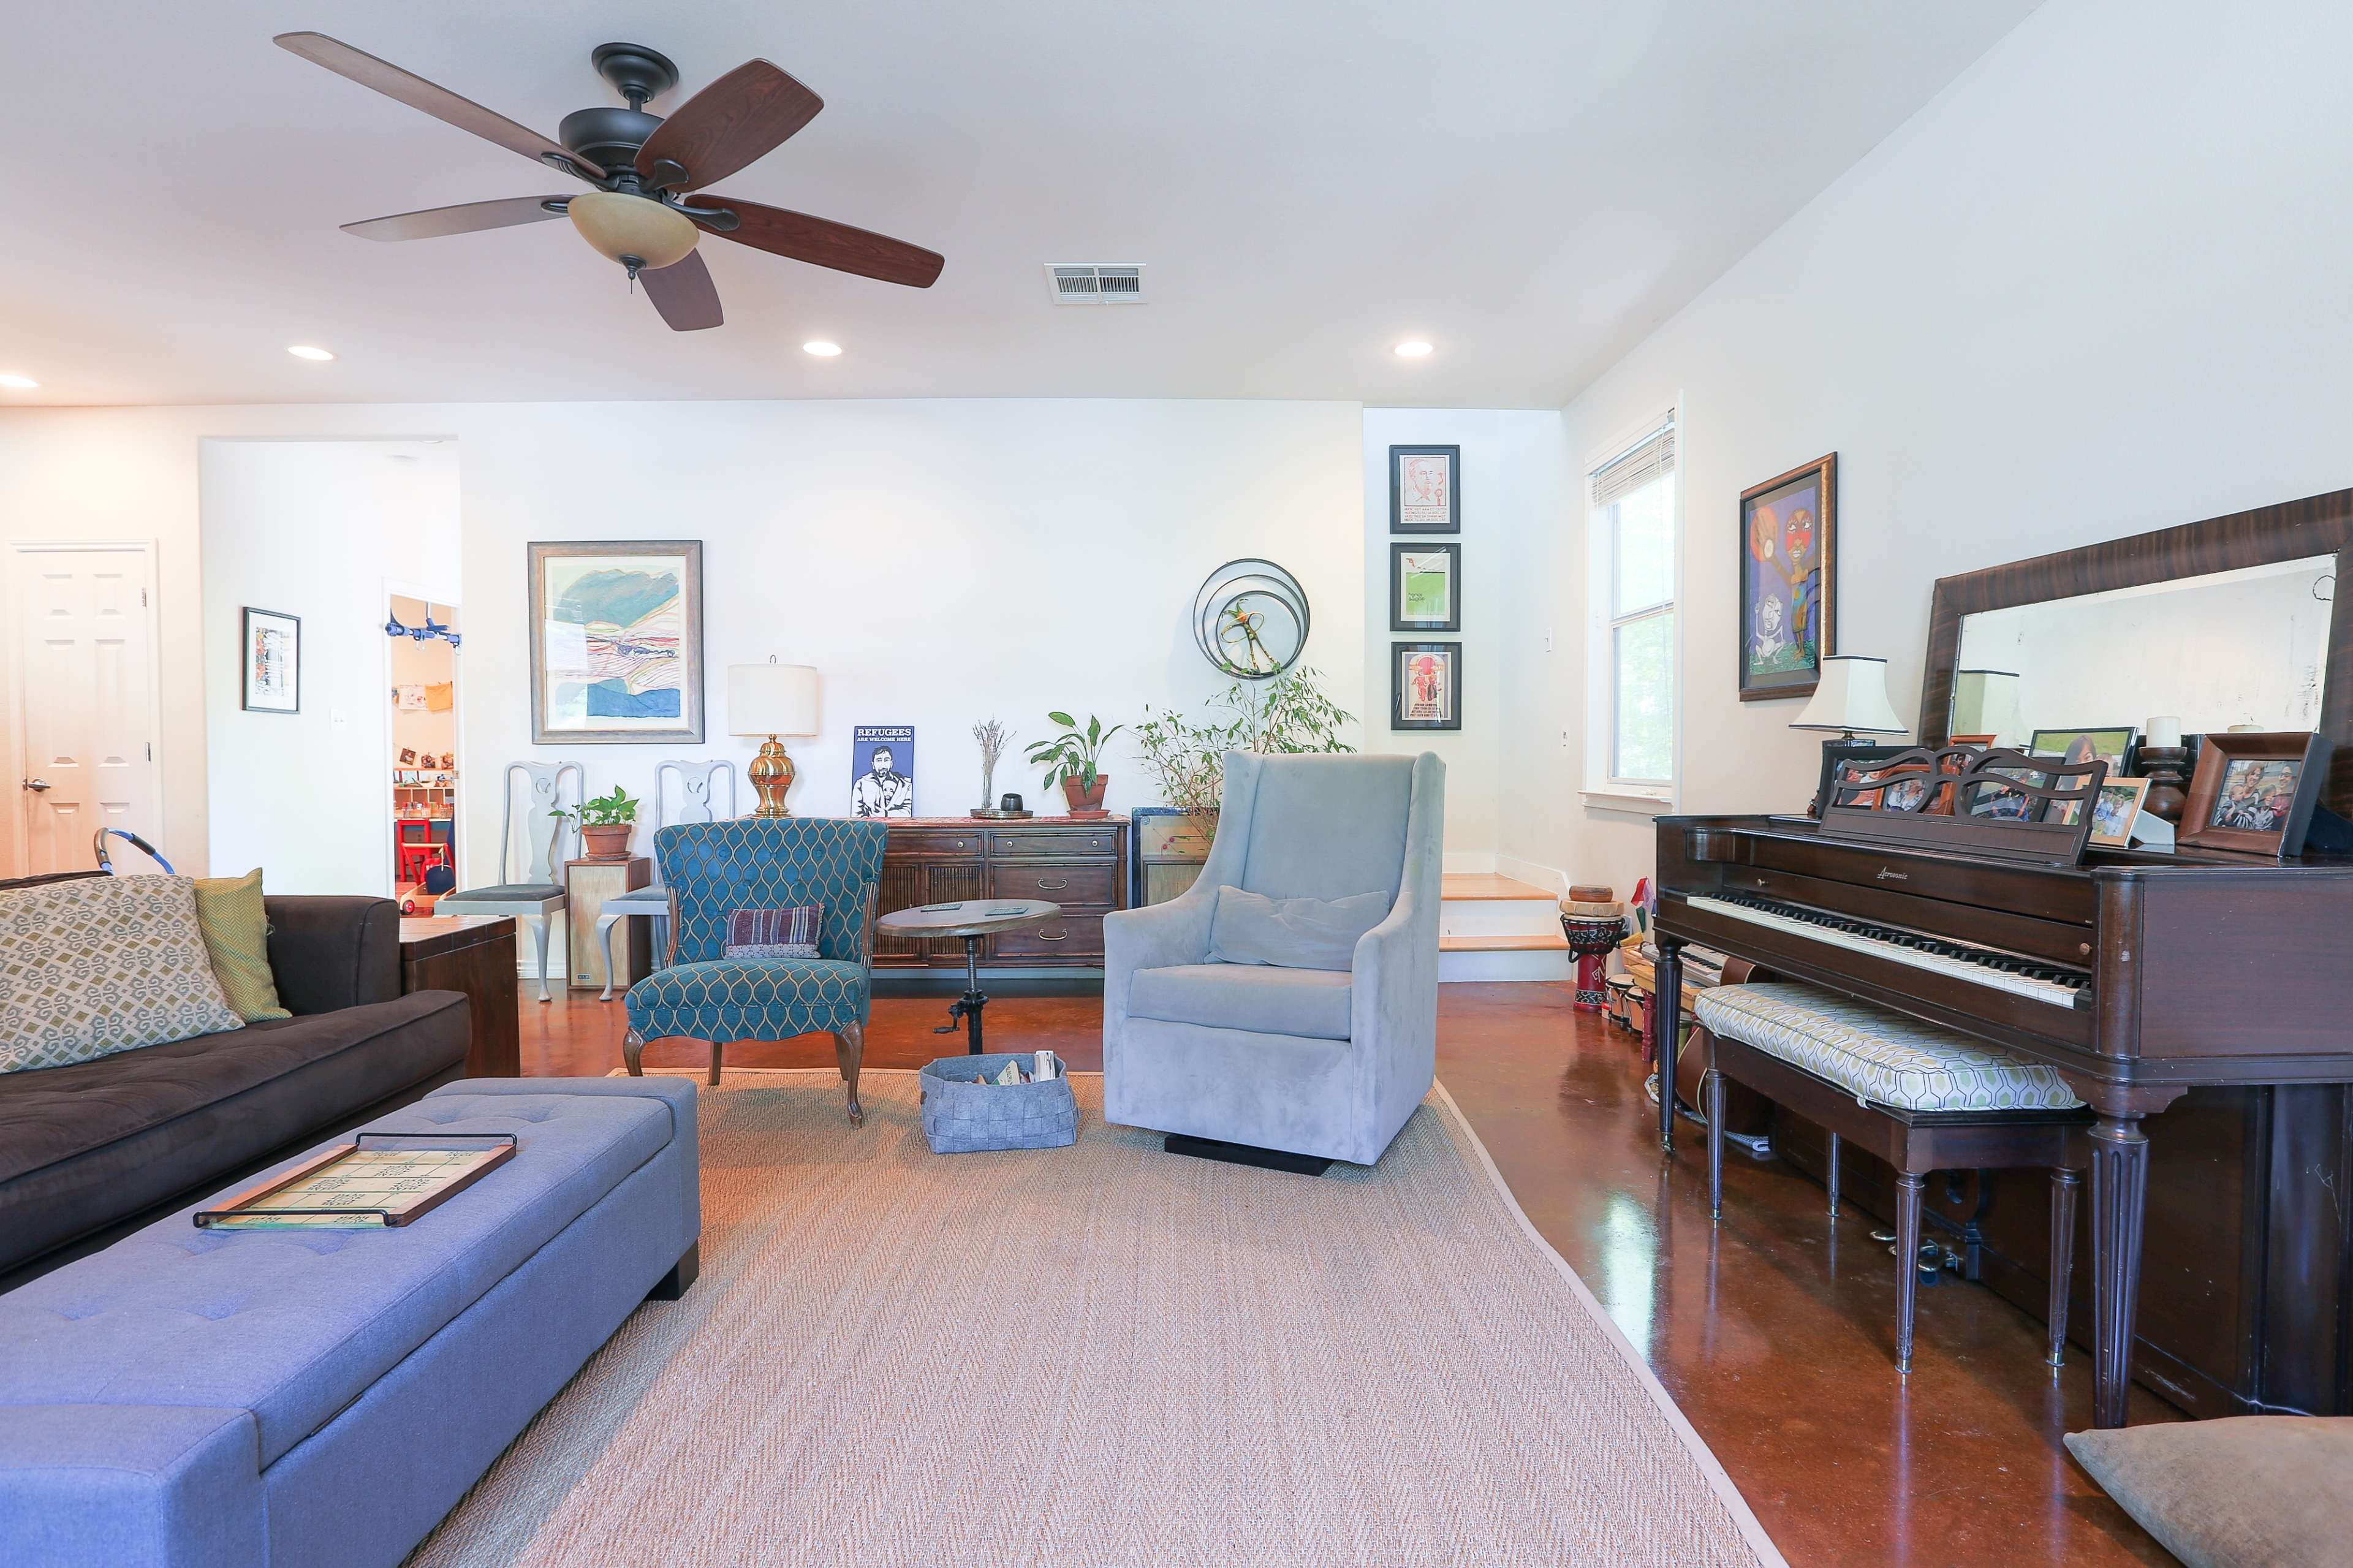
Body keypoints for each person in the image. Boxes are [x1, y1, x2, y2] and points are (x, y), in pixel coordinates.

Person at [852, 745, 913, 817]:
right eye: (879, 760)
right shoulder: (861, 784)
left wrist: (886, 814)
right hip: (869, 824)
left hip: (897, 824)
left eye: (886, 760)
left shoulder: (905, 784)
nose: (883, 764)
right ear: (873, 764)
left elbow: (908, 812)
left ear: (891, 764)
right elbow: (856, 814)